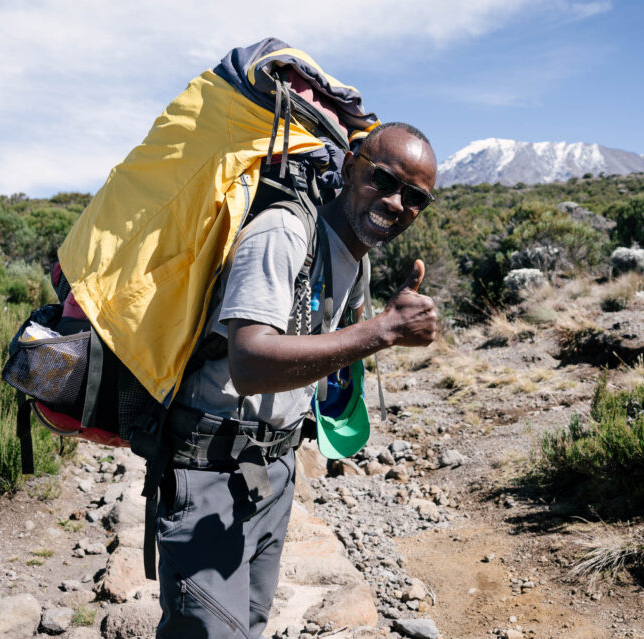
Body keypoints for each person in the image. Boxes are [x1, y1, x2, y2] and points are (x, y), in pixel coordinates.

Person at [155, 122, 439, 638]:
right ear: (352, 166)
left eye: (415, 196)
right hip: (211, 466)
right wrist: (386, 330)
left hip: (273, 468)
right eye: (384, 180)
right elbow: (250, 364)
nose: (397, 202)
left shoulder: (355, 257)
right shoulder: (285, 233)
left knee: (250, 625)